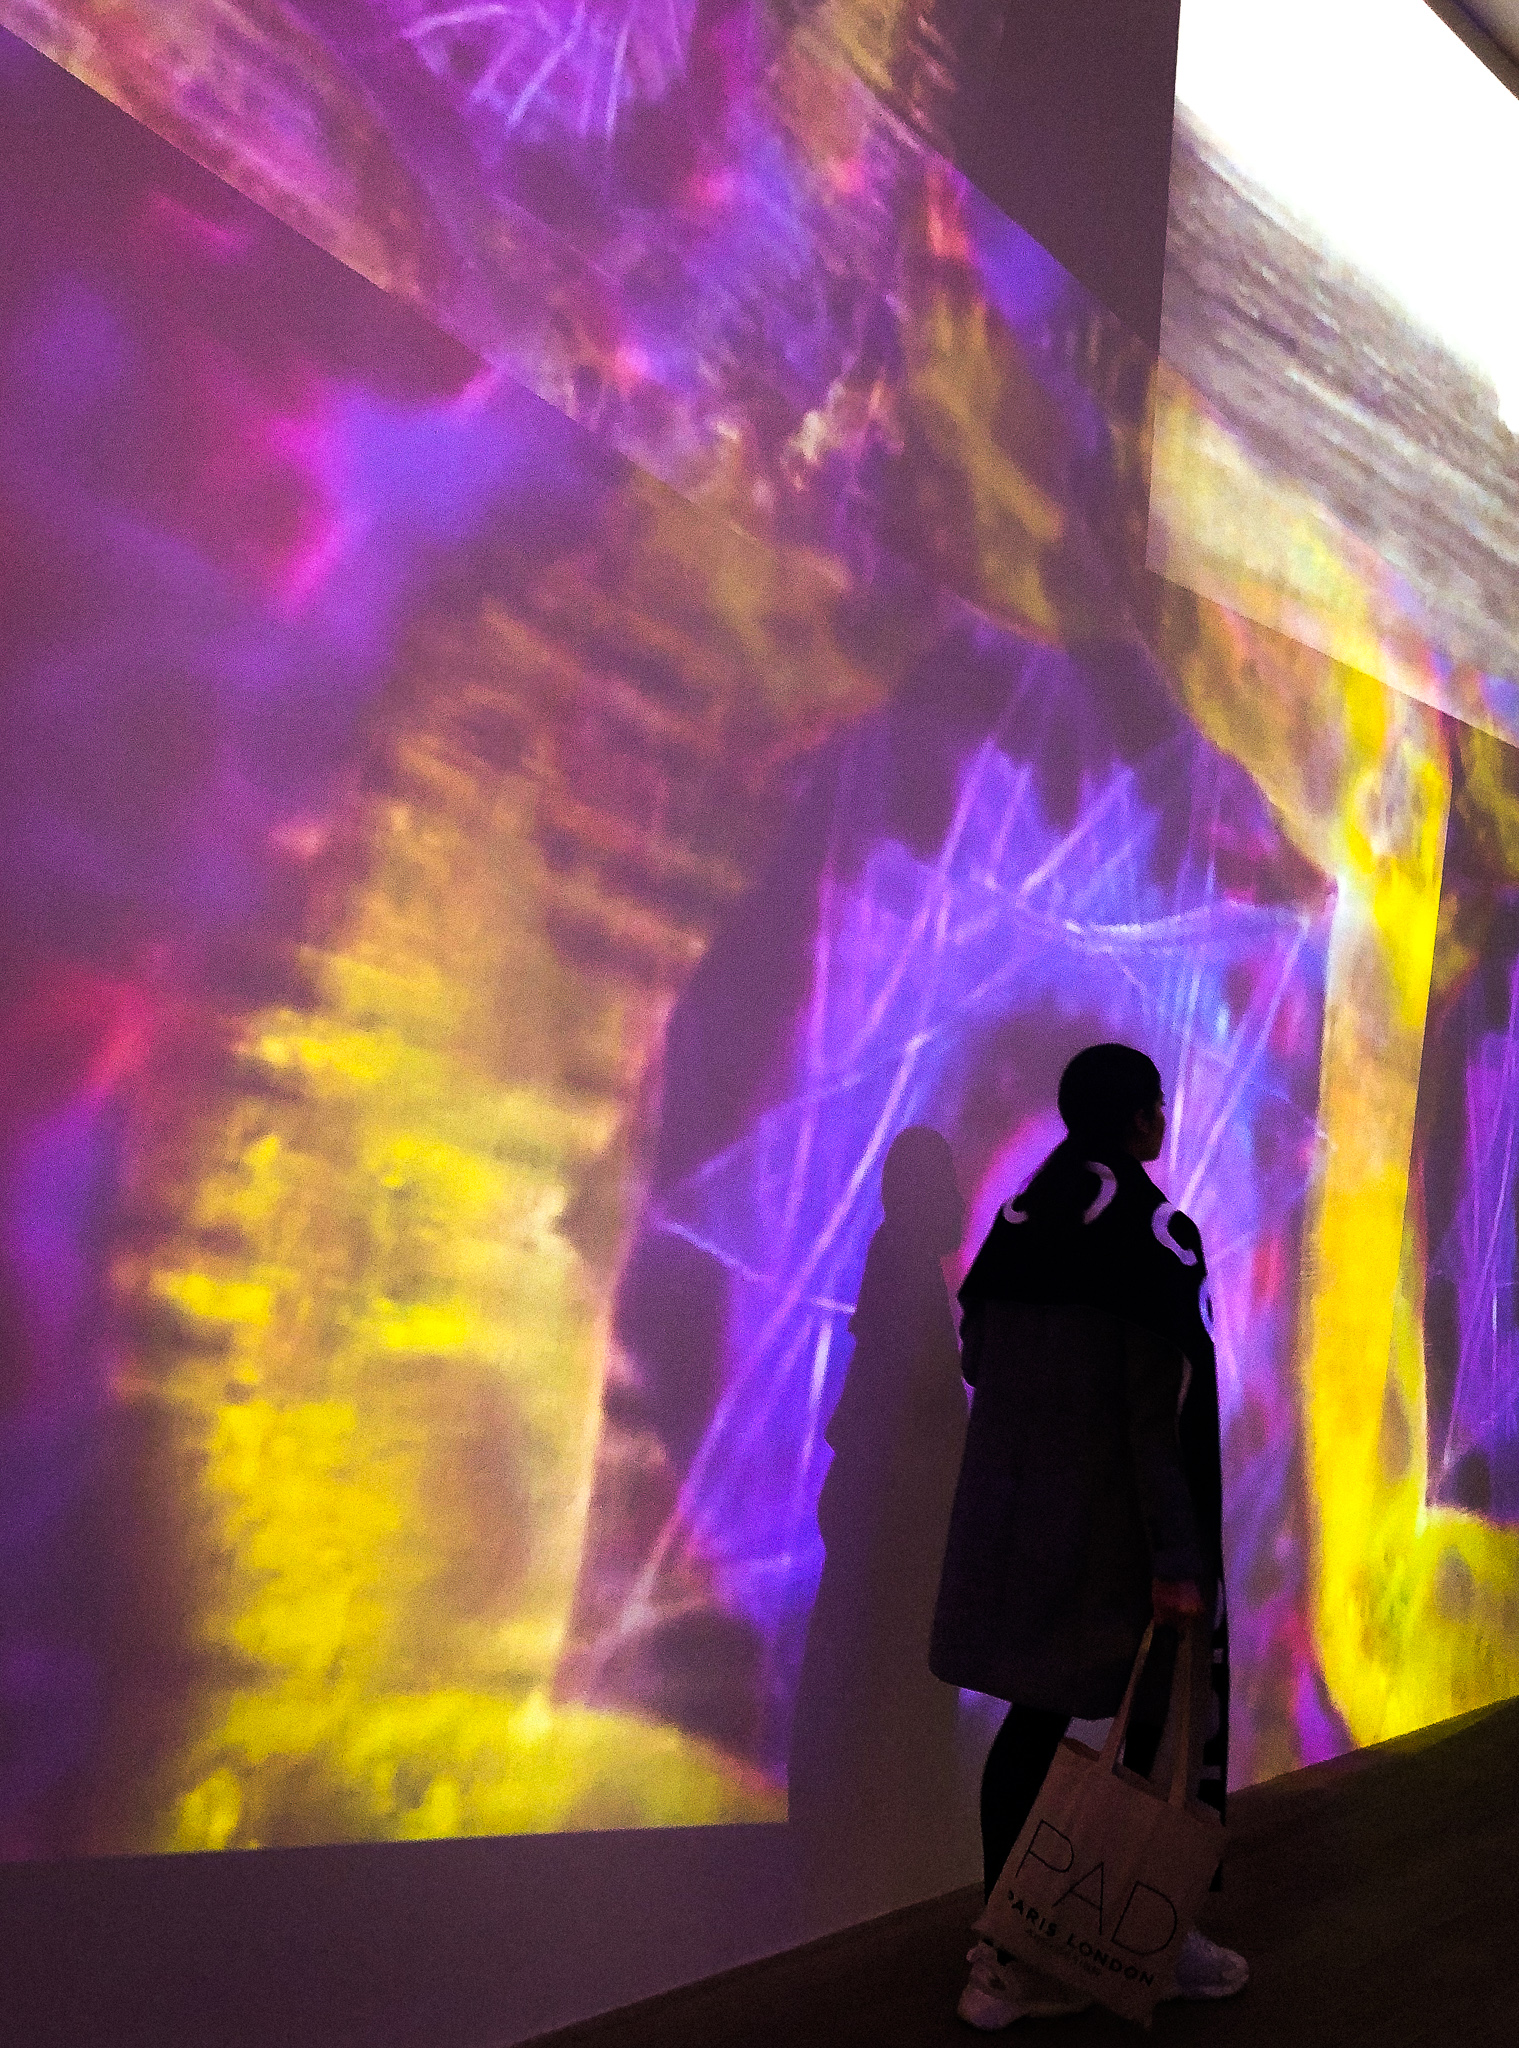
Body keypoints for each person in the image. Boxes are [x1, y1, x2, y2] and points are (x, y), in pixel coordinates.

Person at [929, 1043, 1248, 2029]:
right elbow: (1161, 1421)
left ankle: (1002, 1958)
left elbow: (976, 1357)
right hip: (1113, 1544)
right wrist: (1178, 1561)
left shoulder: (1017, 1223)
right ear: (1142, 1117)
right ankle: (1145, 1939)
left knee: (1029, 1730)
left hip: (1011, 1529)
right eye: (1159, 1107)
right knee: (1156, 1740)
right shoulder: (1157, 1236)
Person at [789, 1126, 972, 1897]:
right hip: (901, 1523)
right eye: (946, 1182)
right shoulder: (904, 1269)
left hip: (884, 1513)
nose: (959, 1200)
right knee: (889, 1673)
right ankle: (880, 1838)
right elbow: (911, 1405)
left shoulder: (895, 1262)